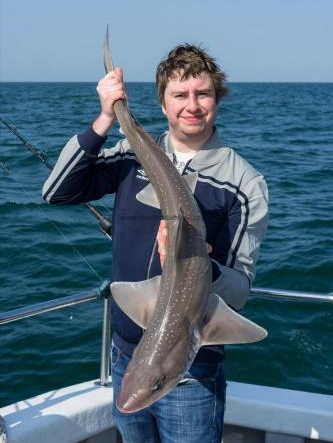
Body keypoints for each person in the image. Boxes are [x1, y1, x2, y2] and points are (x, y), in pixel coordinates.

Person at [42, 44, 268, 443]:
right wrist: (105, 119)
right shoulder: (132, 156)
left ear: (217, 99)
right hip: (128, 358)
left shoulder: (244, 183)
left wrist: (199, 262)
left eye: (203, 94)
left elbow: (240, 290)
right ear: (163, 103)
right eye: (180, 95)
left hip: (192, 374)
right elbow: (57, 191)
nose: (192, 105)